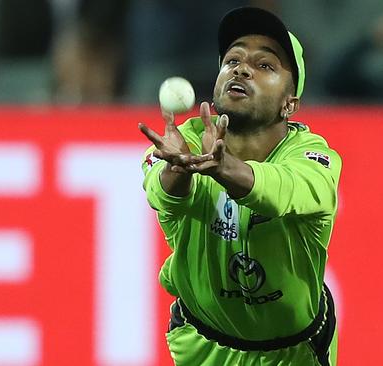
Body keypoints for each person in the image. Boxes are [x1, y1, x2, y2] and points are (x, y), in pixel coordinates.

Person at [138, 7, 341, 365]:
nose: (242, 68)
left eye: (265, 65)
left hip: (292, 353)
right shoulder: (186, 141)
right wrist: (178, 169)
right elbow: (164, 196)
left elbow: (284, 192)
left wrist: (223, 168)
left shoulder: (312, 156)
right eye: (232, 60)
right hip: (202, 342)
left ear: (289, 103)